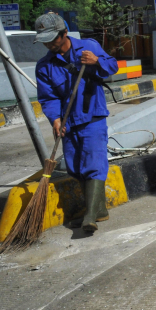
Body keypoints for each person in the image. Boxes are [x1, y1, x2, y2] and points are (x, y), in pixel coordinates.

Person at [34, 12, 119, 233]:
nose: (49, 44)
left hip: (92, 116)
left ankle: (89, 215)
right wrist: (54, 119)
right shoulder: (44, 66)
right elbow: (48, 97)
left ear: (64, 34)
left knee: (94, 162)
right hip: (68, 121)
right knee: (75, 166)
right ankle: (99, 211)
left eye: (52, 38)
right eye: (45, 40)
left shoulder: (87, 47)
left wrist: (97, 61)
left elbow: (112, 66)